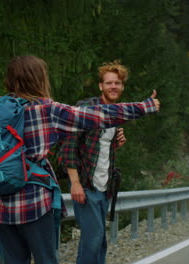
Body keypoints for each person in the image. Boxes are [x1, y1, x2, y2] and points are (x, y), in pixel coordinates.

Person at [0, 55, 159, 264]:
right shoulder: (46, 110)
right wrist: (144, 106)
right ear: (39, 79)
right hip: (32, 202)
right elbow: (98, 116)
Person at [58, 60, 133, 264]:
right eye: (109, 83)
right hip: (86, 184)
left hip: (104, 187)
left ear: (122, 86)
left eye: (117, 83)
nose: (113, 87)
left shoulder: (116, 114)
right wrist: (75, 183)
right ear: (101, 86)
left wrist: (115, 146)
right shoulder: (86, 108)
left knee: (99, 241)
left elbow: (97, 150)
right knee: (92, 239)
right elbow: (68, 146)